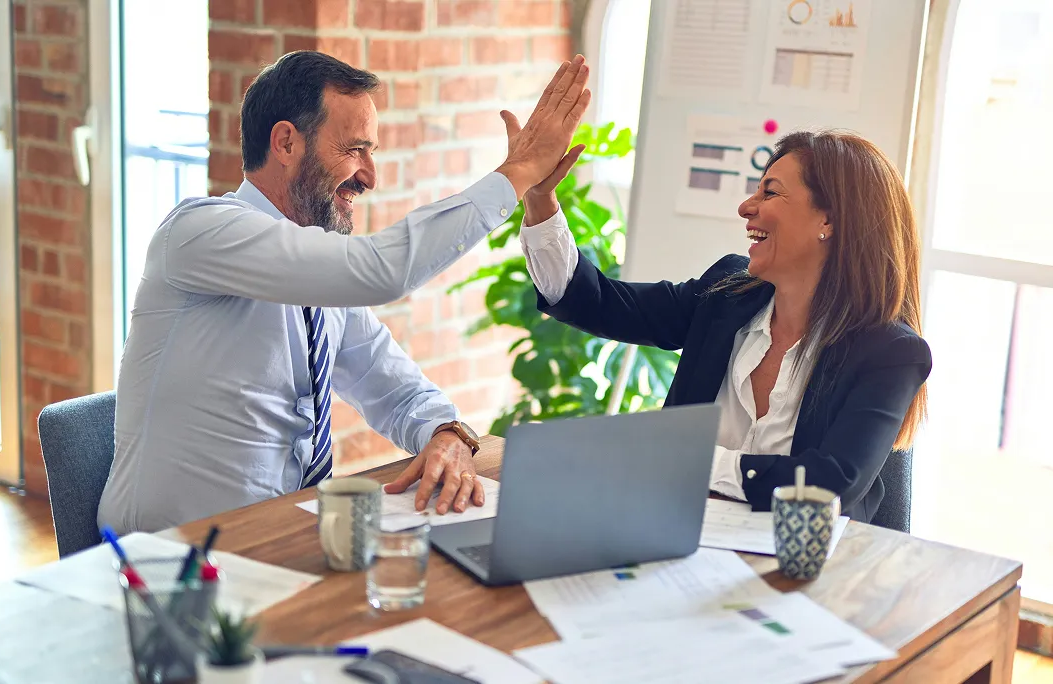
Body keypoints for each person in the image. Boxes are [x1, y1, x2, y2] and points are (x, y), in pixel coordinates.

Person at [97, 50, 592, 534]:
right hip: (168, 563)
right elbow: (382, 270)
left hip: (281, 541)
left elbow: (394, 387)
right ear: (286, 143)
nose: (370, 177)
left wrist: (446, 433)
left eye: (371, 152)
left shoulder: (319, 279)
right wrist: (519, 172)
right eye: (355, 149)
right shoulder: (200, 232)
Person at [516, 130, 932, 524]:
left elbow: (828, 485)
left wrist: (689, 460)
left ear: (829, 220)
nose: (746, 207)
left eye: (770, 191)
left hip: (804, 573)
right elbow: (597, 302)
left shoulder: (890, 352)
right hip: (675, 540)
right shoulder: (727, 294)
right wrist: (540, 197)